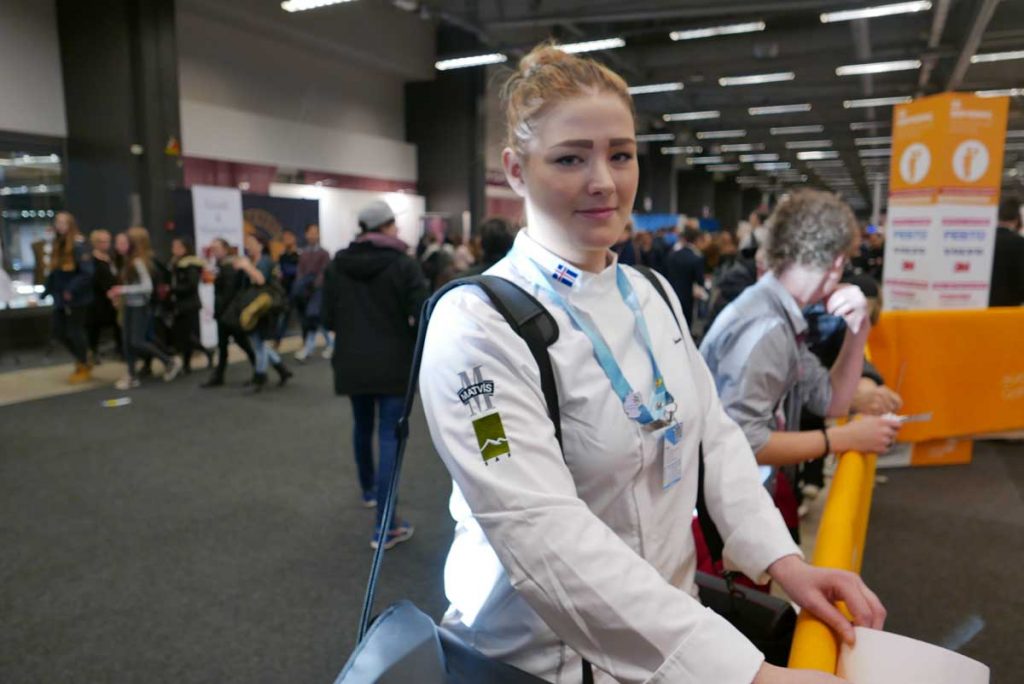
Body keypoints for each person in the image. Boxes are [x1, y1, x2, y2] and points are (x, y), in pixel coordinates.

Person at [419, 45, 884, 684]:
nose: (604, 181)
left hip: (672, 633)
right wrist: (744, 674)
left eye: (620, 154)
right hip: (535, 661)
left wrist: (783, 561)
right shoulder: (476, 326)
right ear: (516, 171)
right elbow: (540, 532)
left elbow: (714, 441)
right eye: (569, 158)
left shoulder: (653, 294)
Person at [700, 190, 902, 539]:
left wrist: (859, 330)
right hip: (726, 515)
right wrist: (841, 438)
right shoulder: (765, 328)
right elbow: (744, 442)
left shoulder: (780, 315)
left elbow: (831, 399)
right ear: (837, 263)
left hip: (748, 500)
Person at [323, 199, 428, 549]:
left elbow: (327, 316)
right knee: (390, 437)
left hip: (351, 361)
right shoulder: (403, 264)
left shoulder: (338, 264)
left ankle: (369, 490)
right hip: (394, 363)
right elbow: (422, 313)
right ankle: (386, 527)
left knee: (362, 425)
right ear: (384, 226)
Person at [107, 226, 182, 390]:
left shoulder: (138, 262)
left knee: (137, 341)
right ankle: (132, 375)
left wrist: (122, 290)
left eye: (125, 241)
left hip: (139, 306)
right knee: (128, 342)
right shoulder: (129, 261)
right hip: (130, 305)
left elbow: (146, 287)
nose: (119, 244)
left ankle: (169, 361)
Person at [233, 233, 293, 392]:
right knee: (258, 343)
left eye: (252, 242)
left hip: (265, 308)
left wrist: (246, 266)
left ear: (260, 245)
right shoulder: (253, 261)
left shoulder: (265, 261)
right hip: (254, 307)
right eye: (247, 243)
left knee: (258, 344)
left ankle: (259, 378)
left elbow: (260, 280)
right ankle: (282, 370)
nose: (248, 246)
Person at [43, 211, 95, 383]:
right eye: (58, 222)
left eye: (64, 222)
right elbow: (55, 272)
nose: (60, 225)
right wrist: (46, 290)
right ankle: (84, 356)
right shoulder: (58, 244)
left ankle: (83, 363)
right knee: (58, 331)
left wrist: (72, 289)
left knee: (75, 331)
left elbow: (87, 272)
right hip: (60, 296)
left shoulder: (79, 244)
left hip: (77, 297)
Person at [200, 238, 257, 388]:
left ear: (225, 249)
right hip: (224, 313)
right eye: (212, 249)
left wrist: (223, 312)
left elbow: (229, 293)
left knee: (243, 344)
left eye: (217, 248)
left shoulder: (230, 266)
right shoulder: (221, 266)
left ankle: (263, 370)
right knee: (224, 346)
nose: (214, 252)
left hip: (229, 313)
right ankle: (219, 375)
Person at [293, 223, 333, 362]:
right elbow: (300, 271)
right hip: (305, 292)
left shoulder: (324, 253)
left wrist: (315, 285)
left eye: (316, 232)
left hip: (318, 291)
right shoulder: (303, 253)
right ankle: (330, 345)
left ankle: (309, 348)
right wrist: (301, 285)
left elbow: (324, 272)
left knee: (314, 317)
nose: (313, 235)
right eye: (310, 232)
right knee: (316, 320)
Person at [170, 237, 210, 374]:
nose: (173, 249)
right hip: (181, 304)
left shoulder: (190, 264)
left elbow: (192, 285)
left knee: (186, 335)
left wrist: (173, 289)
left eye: (176, 246)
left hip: (189, 305)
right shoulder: (177, 263)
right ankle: (204, 353)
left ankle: (188, 364)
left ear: (184, 248)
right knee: (183, 335)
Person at [87, 229, 121, 363]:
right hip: (98, 300)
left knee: (117, 324)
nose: (105, 244)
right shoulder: (92, 260)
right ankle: (92, 353)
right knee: (95, 328)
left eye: (107, 241)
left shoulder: (110, 258)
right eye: (102, 241)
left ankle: (120, 350)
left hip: (112, 297)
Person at [662, 226, 705, 328]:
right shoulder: (697, 258)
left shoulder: (672, 255)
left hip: (670, 295)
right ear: (697, 240)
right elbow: (700, 281)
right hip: (688, 299)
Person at [989, 197, 1024, 306]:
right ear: (1017, 219)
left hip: (984, 306)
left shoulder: (985, 242)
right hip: (1011, 307)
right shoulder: (1020, 243)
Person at [274, 229, 300, 346]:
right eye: (284, 239)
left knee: (304, 316)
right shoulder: (282, 256)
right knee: (283, 315)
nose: (286, 240)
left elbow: (299, 272)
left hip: (299, 290)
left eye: (288, 238)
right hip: (285, 291)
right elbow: (281, 272)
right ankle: (277, 341)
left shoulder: (300, 255)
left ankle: (307, 341)